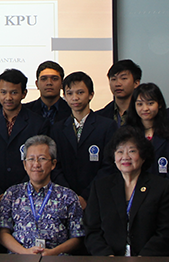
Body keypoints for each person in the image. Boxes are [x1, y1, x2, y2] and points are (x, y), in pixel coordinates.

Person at [83, 128, 169, 257]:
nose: (125, 157)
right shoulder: (100, 187)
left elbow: (166, 232)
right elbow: (92, 231)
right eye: (120, 151)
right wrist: (107, 256)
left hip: (148, 258)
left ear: (143, 156)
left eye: (132, 151)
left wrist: (143, 258)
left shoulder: (161, 187)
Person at [0, 135, 84, 255]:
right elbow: (2, 233)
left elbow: (77, 236)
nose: (36, 164)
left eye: (42, 159)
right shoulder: (12, 194)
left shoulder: (68, 196)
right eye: (31, 159)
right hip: (20, 257)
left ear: (53, 164)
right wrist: (25, 252)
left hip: (56, 257)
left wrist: (53, 252)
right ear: (25, 164)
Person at [0, 69, 51, 203]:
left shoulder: (38, 124)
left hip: (28, 196)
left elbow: (41, 162)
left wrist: (16, 192)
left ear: (24, 93)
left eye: (14, 92)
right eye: (3, 92)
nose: (8, 98)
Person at [50, 71, 118, 207]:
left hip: (98, 197)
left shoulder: (107, 126)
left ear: (91, 95)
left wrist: (86, 196)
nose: (75, 98)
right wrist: (70, 195)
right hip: (65, 198)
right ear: (64, 96)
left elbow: (109, 165)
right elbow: (55, 165)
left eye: (80, 92)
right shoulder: (57, 128)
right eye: (70, 93)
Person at [124, 83, 169, 181]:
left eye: (150, 103)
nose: (145, 108)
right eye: (140, 104)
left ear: (159, 104)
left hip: (163, 188)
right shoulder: (125, 134)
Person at [96, 60, 141, 127]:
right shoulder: (99, 116)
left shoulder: (144, 113)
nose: (117, 84)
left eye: (123, 78)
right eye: (114, 79)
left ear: (136, 83)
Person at [24, 61, 71, 126]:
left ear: (62, 84)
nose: (49, 83)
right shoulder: (25, 111)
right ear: (37, 84)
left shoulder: (72, 110)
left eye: (54, 79)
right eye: (44, 79)